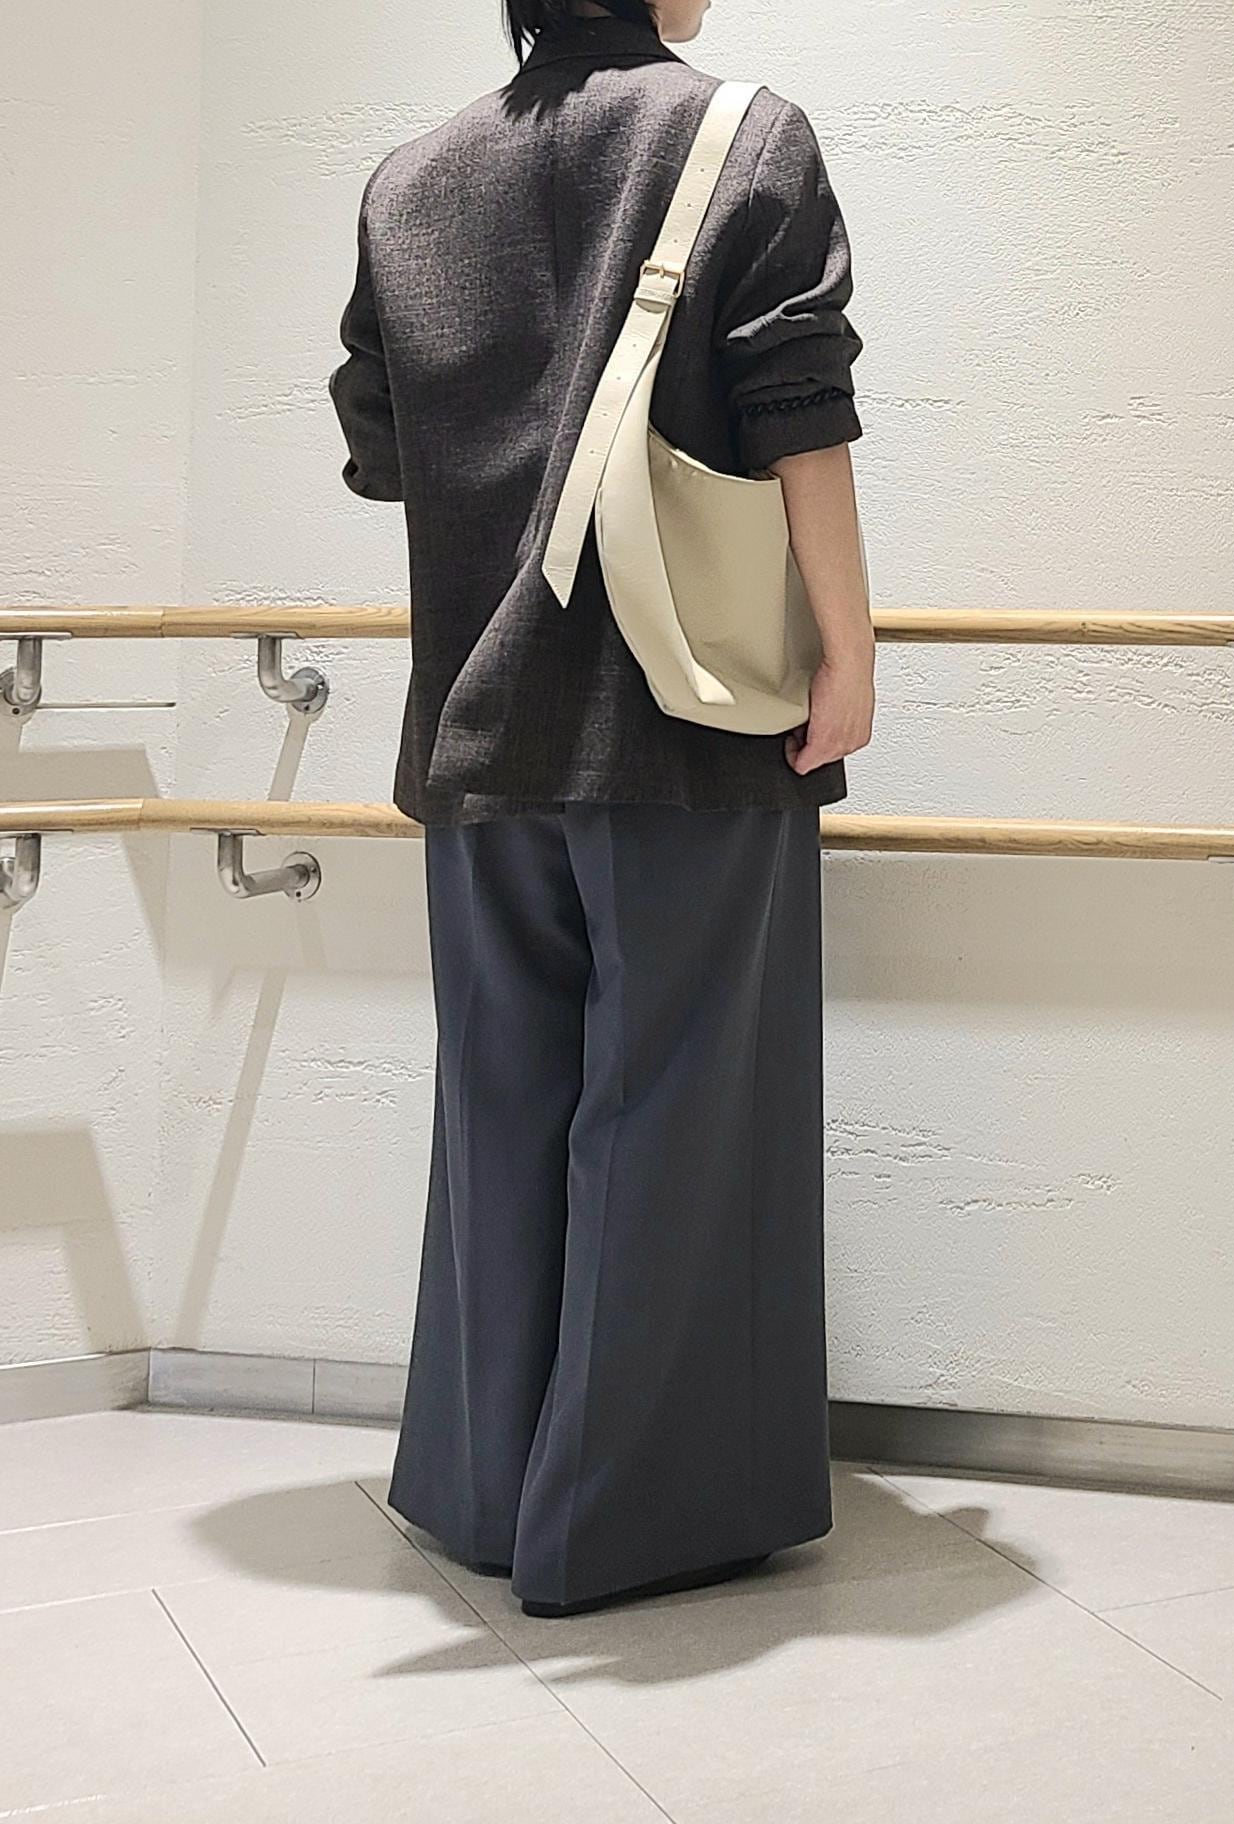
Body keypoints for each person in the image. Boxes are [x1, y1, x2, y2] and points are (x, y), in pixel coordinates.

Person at [328, 0, 876, 1618]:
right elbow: (798, 410)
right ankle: (626, 1525)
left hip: (479, 726)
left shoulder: (409, 179)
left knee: (501, 1107)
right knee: (683, 1117)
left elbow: (376, 446)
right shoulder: (745, 135)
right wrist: (847, 653)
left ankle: (486, 1492)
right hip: (684, 724)